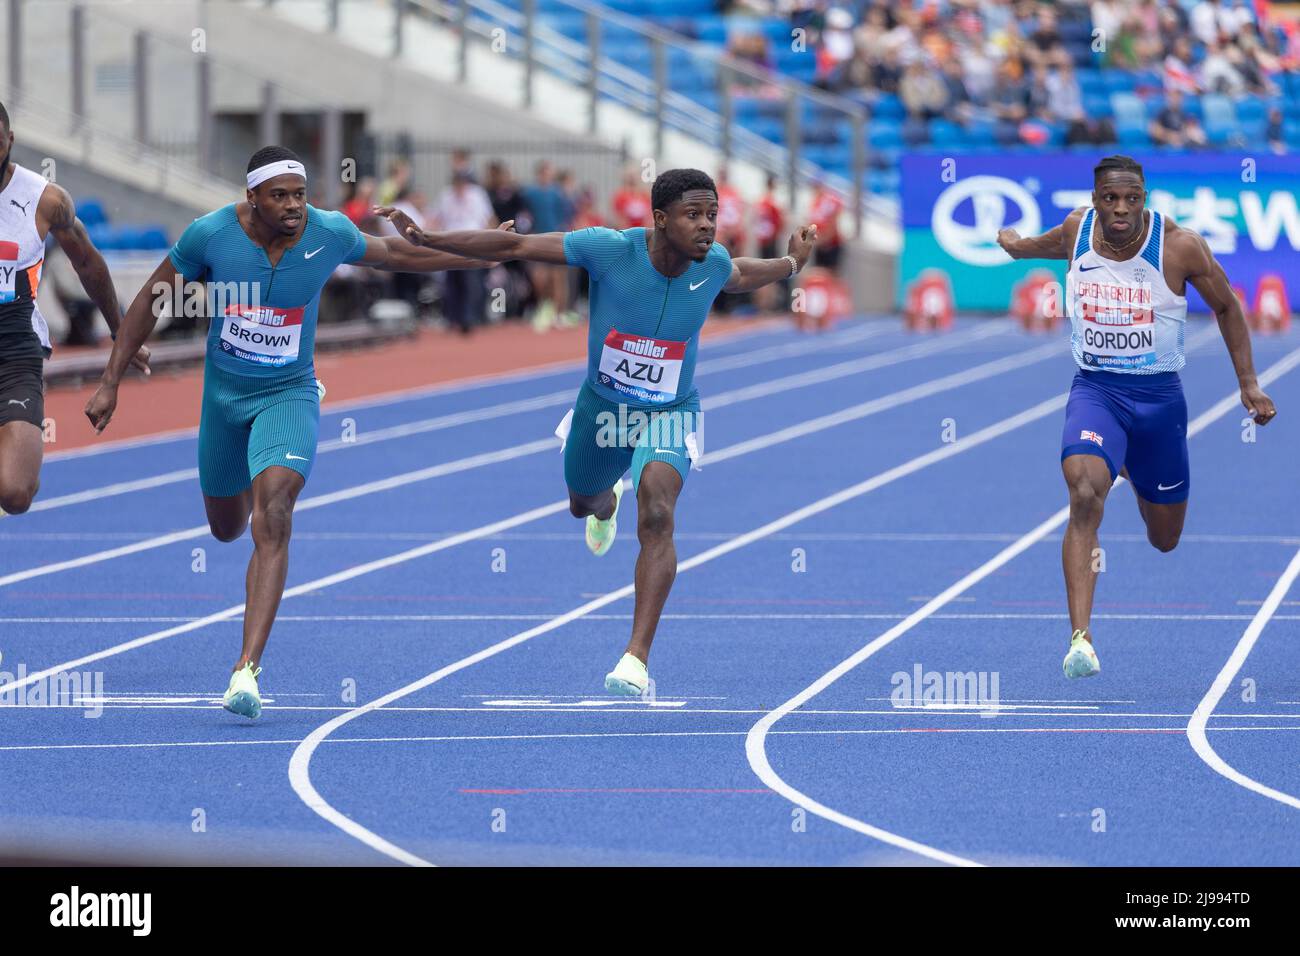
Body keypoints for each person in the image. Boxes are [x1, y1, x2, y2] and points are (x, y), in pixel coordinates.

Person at [83, 146, 506, 719]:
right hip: (224, 399)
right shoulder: (209, 236)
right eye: (279, 196)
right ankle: (237, 537)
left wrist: (473, 256)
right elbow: (152, 298)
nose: (293, 206)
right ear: (251, 197)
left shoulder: (327, 232)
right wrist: (111, 379)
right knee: (226, 527)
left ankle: (246, 669)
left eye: (300, 195)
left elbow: (395, 256)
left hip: (290, 392)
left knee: (274, 511)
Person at [378, 168, 817, 695]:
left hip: (670, 410)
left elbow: (745, 273)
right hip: (604, 411)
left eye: (712, 215)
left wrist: (793, 262)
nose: (707, 227)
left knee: (657, 513)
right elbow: (517, 244)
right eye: (693, 215)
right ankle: (604, 503)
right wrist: (430, 237)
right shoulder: (608, 250)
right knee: (581, 502)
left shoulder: (713, 265)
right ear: (659, 219)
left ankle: (635, 657)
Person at [996, 155, 1276, 679]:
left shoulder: (1179, 247)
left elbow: (1228, 306)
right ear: (1095, 198)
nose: (1120, 209)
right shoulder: (1078, 230)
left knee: (1164, 538)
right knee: (1082, 493)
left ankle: (1128, 462)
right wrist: (1014, 246)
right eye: (1110, 198)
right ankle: (1081, 639)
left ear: (1144, 197)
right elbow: (1041, 246)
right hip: (1096, 392)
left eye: (1131, 198)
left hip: (1159, 403)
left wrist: (1249, 384)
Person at [0, 100, 150, 516]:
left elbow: (87, 262)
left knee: (15, 493)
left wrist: (122, 331)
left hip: (13, 350)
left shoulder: (45, 200)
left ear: (9, 140)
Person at [433, 169, 496, 334]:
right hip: (450, 242)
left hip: (472, 241)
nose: (460, 187)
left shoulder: (477, 195)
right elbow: (437, 218)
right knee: (452, 282)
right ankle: (453, 318)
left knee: (471, 281)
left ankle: (468, 318)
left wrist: (492, 242)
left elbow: (489, 218)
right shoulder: (446, 196)